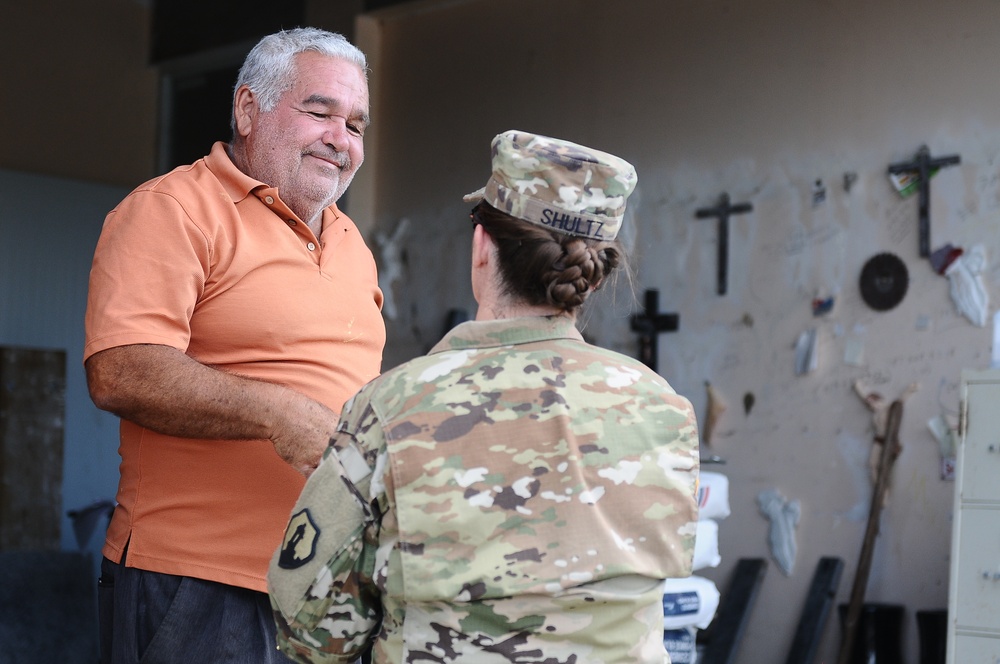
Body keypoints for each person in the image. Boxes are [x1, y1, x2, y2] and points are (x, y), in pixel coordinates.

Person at [267, 130, 701, 663]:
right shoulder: (663, 409)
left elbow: (310, 628)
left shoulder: (394, 408)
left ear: (482, 248)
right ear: (594, 274)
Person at [83, 27, 386, 664]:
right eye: (319, 111)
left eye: (356, 124)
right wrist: (278, 414)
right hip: (200, 586)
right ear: (248, 110)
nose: (341, 138)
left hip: (329, 591)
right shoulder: (172, 208)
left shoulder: (352, 242)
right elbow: (120, 369)